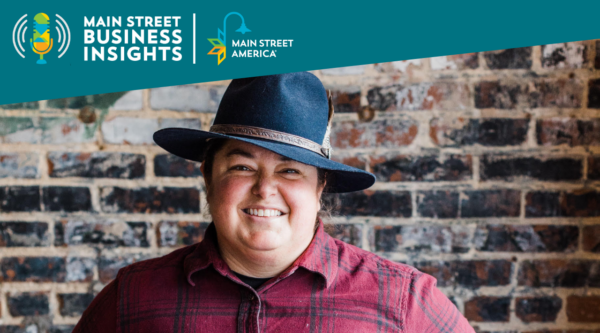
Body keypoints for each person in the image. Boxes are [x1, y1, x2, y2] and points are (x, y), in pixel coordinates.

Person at [73, 72, 475, 332]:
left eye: (290, 171)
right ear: (208, 177)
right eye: (242, 167)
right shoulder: (134, 299)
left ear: (319, 189)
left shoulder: (403, 301)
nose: (265, 189)